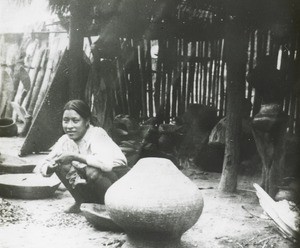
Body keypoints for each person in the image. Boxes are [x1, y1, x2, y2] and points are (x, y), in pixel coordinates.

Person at [37, 99, 129, 213]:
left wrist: (73, 156)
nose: (69, 126)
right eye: (65, 121)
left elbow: (106, 165)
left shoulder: (97, 134)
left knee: (92, 170)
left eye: (75, 121)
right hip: (95, 180)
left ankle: (109, 207)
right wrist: (50, 166)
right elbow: (42, 165)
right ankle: (81, 202)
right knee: (62, 165)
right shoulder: (65, 140)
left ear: (87, 121)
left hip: (117, 179)